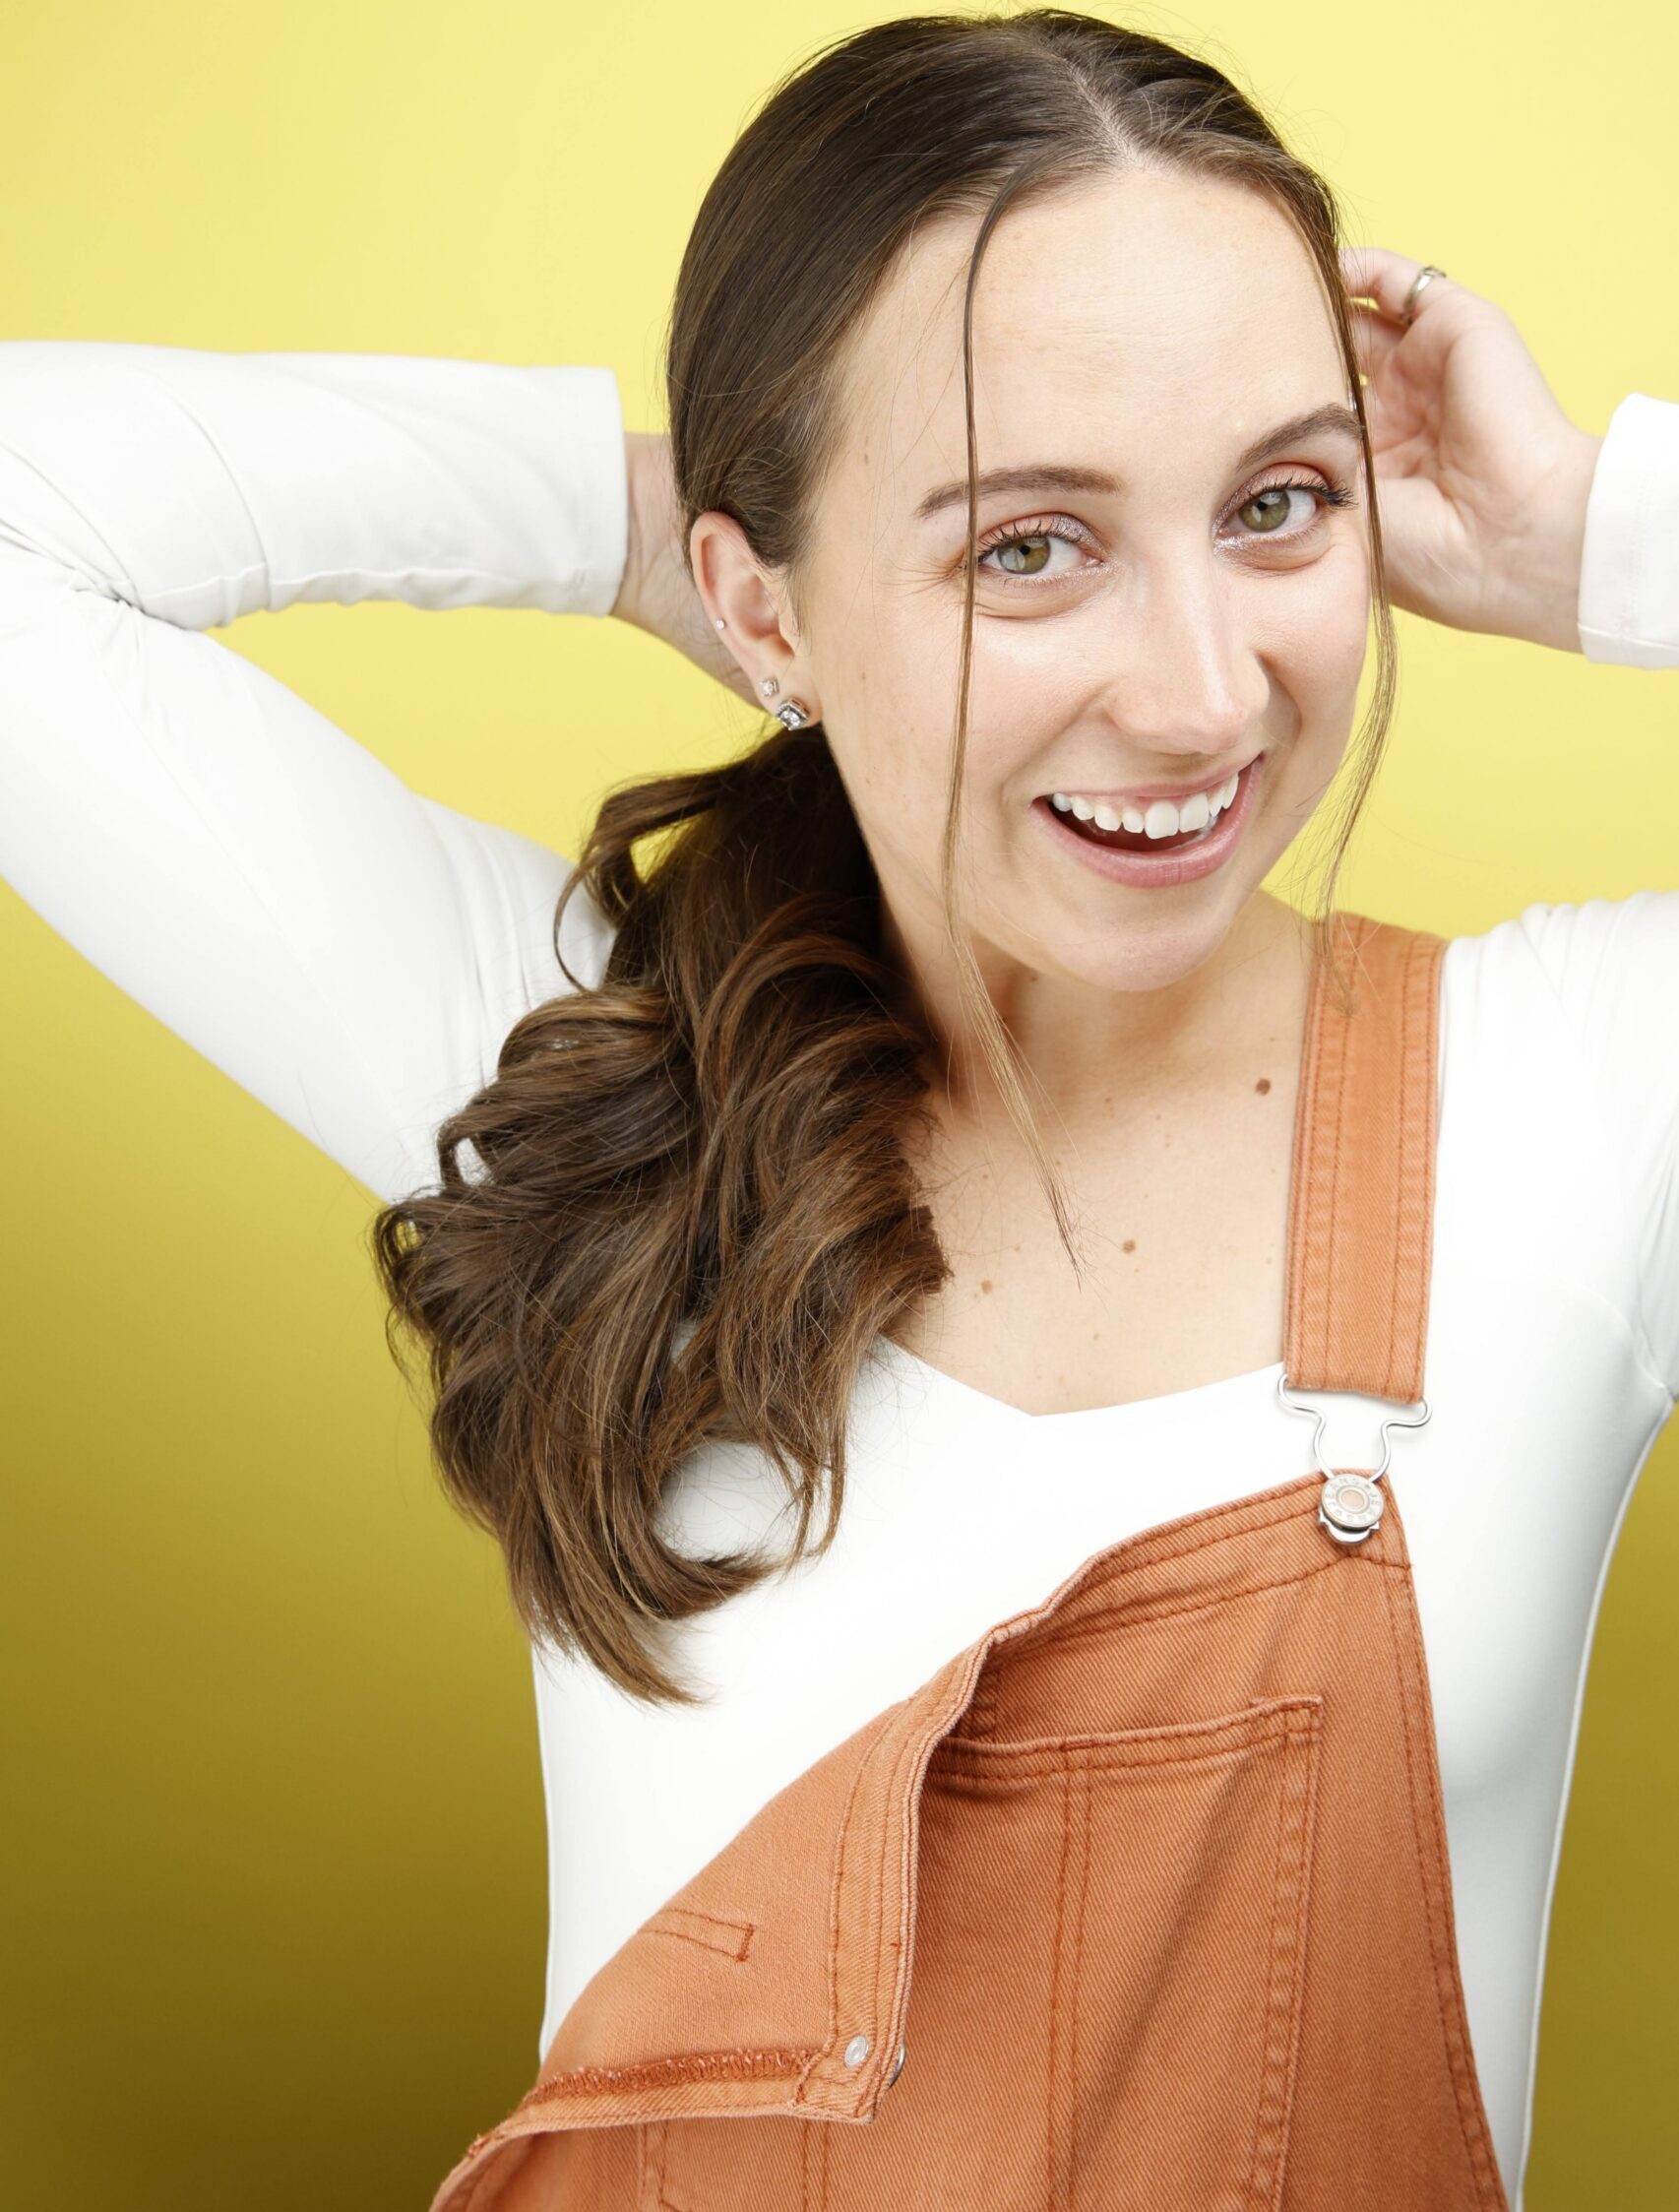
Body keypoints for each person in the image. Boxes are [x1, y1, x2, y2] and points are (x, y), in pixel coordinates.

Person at [1, 11, 1673, 2207]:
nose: (1200, 693)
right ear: (757, 605)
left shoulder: (1576, 1100)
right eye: (1027, 547)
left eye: (1277, 504)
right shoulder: (592, 1074)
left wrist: (1585, 536)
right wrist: (668, 521)